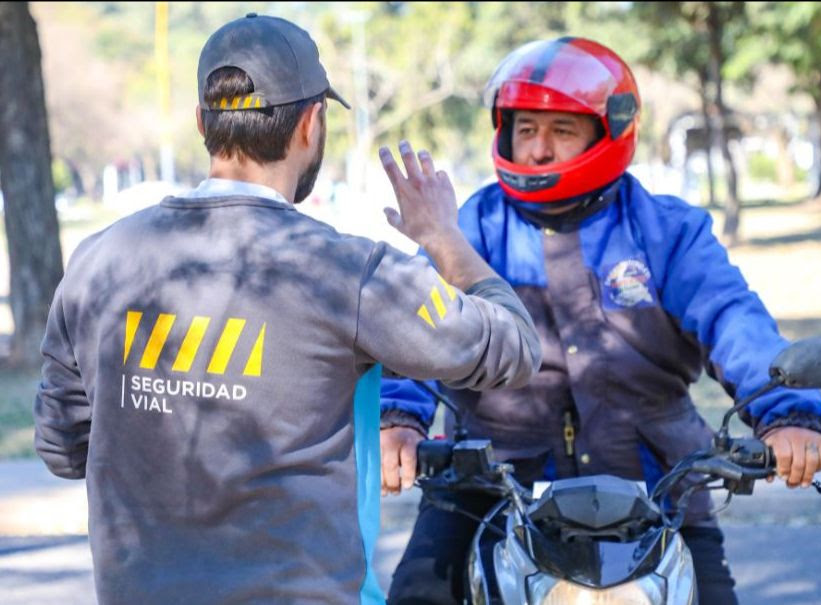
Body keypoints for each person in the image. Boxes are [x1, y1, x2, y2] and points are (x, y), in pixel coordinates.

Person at [32, 14, 541, 605]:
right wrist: (443, 239)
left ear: (203, 123)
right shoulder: (348, 274)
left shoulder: (97, 260)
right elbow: (514, 349)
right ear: (310, 123)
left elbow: (63, 448)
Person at [379, 37, 821, 605]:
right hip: (488, 483)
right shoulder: (471, 228)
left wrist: (786, 414)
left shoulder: (668, 230)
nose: (539, 150)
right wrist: (399, 418)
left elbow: (732, 318)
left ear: (608, 132)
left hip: (656, 487)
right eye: (526, 130)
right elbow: (417, 328)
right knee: (415, 596)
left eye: (561, 131)